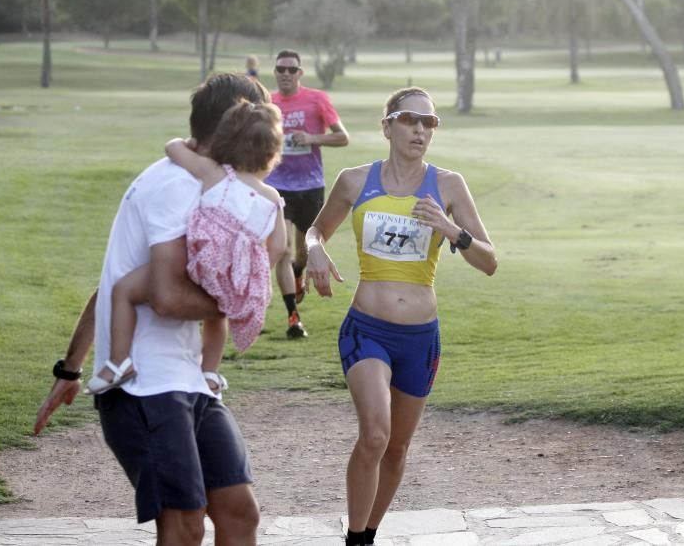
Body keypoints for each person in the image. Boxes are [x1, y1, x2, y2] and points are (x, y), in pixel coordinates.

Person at [34, 73, 269, 545]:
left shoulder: (211, 183)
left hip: (188, 379)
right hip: (144, 385)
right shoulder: (175, 187)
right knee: (184, 524)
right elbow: (162, 295)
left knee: (239, 513)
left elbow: (114, 282)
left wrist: (70, 367)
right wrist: (239, 302)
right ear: (230, 127)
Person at [303, 87, 498, 546]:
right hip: (366, 329)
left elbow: (490, 261)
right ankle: (355, 539)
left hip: (419, 338)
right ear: (388, 125)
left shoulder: (448, 185)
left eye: (429, 123)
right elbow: (316, 229)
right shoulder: (355, 180)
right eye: (411, 120)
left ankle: (368, 534)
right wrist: (314, 250)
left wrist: (452, 231)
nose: (420, 130)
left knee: (396, 448)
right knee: (375, 434)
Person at [87, 101, 287, 395]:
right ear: (272, 154)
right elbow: (279, 246)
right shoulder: (272, 197)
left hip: (199, 266)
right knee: (217, 316)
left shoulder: (215, 174)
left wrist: (187, 142)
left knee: (124, 290)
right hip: (233, 278)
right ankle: (210, 373)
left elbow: (172, 149)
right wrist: (248, 278)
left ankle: (118, 361)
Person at [265, 49, 350, 338]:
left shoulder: (317, 100)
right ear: (275, 72)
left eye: (292, 69)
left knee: (302, 253)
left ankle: (299, 274)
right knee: (283, 250)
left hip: (310, 185)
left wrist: (312, 138)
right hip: (277, 184)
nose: (286, 74)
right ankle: (293, 317)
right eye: (281, 69)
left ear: (300, 73)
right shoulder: (268, 103)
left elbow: (342, 137)